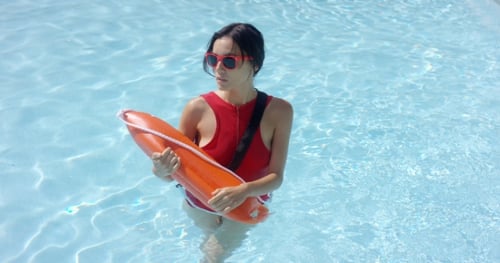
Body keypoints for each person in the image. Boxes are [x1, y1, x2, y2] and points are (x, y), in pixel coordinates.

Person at [151, 22, 293, 262]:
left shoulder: (279, 112)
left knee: (212, 256)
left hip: (247, 204)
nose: (218, 69)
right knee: (209, 248)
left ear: (255, 64)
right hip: (199, 206)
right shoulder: (197, 109)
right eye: (212, 59)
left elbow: (276, 178)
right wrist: (160, 169)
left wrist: (243, 191)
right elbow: (170, 173)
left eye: (229, 61)